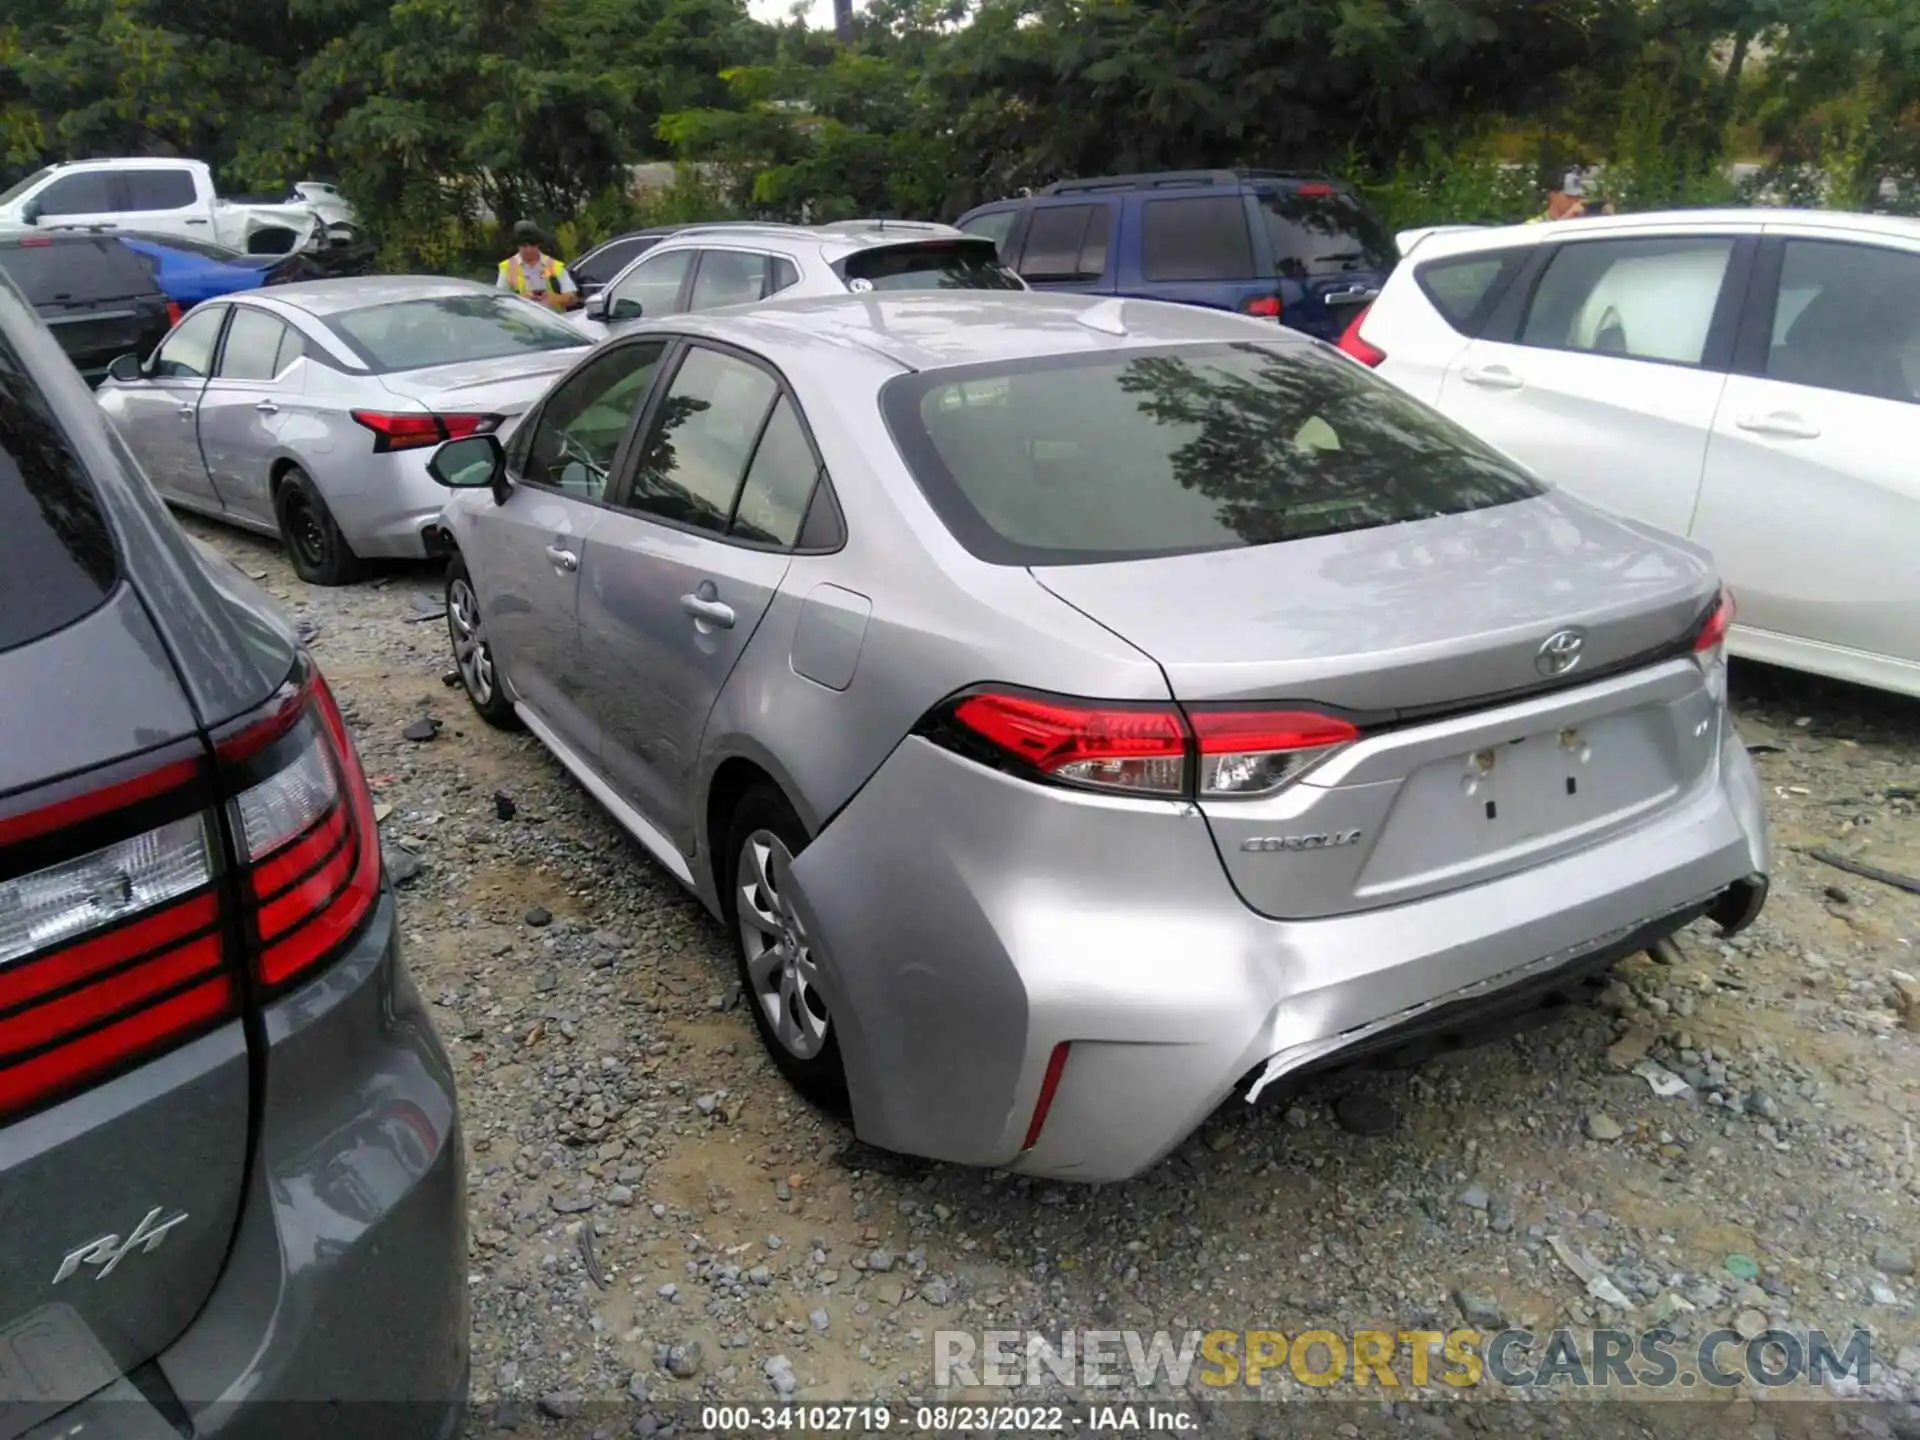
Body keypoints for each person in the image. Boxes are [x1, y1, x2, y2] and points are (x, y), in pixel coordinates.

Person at [497, 220, 580, 311]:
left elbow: (573, 298)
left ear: (538, 244)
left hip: (551, 322)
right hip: (521, 322)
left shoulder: (552, 265)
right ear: (517, 245)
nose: (528, 250)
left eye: (532, 245)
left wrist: (557, 298)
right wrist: (520, 300)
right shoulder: (508, 267)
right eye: (524, 246)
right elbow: (500, 301)